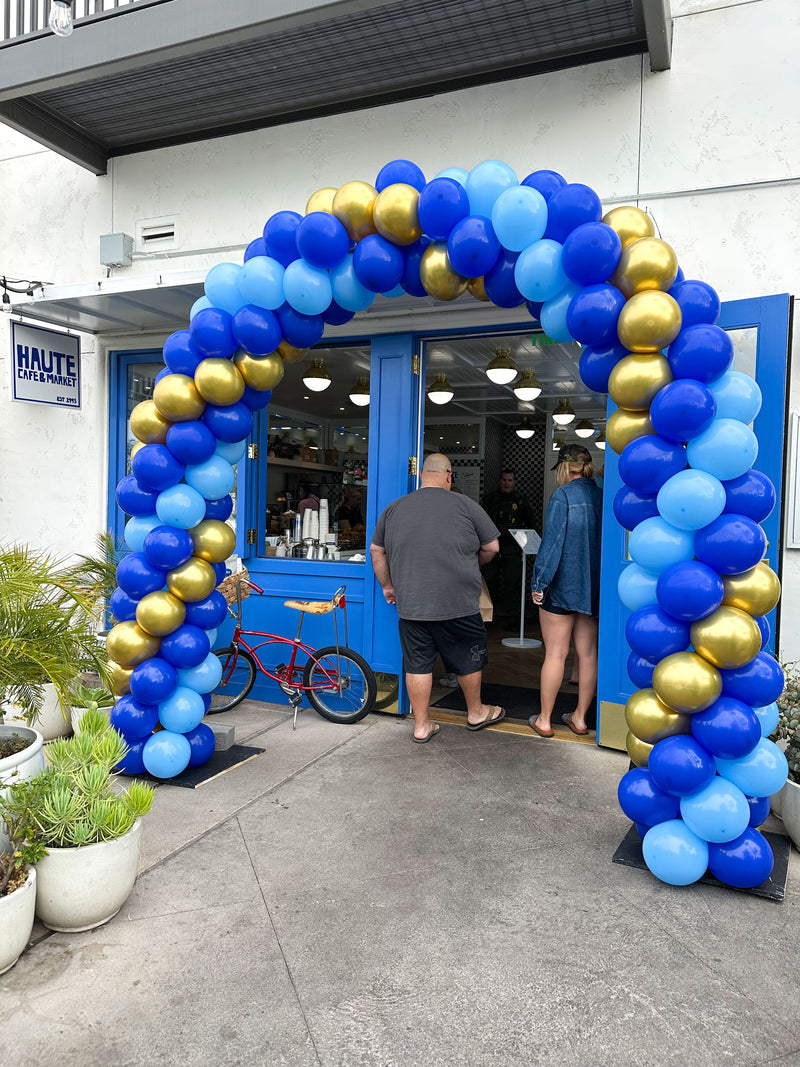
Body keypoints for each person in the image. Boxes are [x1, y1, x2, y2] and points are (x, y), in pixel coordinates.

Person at [370, 453, 504, 743]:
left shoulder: (395, 508)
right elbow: (492, 546)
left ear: (421, 476)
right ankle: (477, 712)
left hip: (412, 605)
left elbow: (376, 550)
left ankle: (421, 725)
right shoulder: (466, 505)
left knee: (418, 664)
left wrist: (387, 586)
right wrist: (472, 563)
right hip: (459, 603)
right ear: (449, 476)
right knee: (468, 659)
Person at [528, 444, 603, 738]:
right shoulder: (602, 495)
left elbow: (552, 545)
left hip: (561, 588)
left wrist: (538, 583)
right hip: (592, 589)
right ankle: (581, 719)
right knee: (587, 655)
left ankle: (544, 720)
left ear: (562, 468)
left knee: (556, 655)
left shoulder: (562, 496)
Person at [480, 469, 535, 628]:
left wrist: (533, 550)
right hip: (491, 548)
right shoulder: (489, 499)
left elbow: (531, 525)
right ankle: (487, 619)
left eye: (510, 480)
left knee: (513, 585)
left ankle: (513, 620)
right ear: (500, 480)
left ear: (514, 482)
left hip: (512, 549)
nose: (507, 483)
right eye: (504, 479)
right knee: (489, 583)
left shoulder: (521, 500)